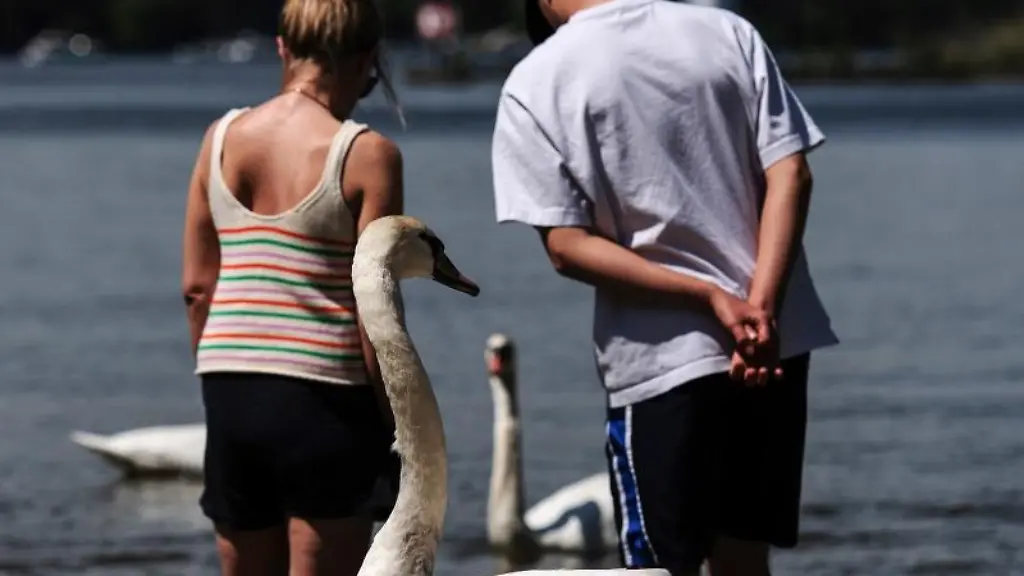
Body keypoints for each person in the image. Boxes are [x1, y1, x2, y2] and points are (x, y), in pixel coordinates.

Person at [491, 1, 839, 575]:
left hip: (662, 362)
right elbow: (791, 174)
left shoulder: (536, 78)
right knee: (746, 560)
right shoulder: (727, 30)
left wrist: (708, 298)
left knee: (658, 567)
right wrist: (759, 307)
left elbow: (566, 246)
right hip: (774, 345)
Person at [180, 0, 404, 574]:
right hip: (324, 398)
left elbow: (197, 289)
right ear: (369, 60)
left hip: (230, 387)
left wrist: (226, 382)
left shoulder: (220, 138)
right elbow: (373, 314)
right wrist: (396, 426)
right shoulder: (367, 155)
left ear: (282, 48)